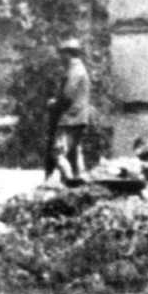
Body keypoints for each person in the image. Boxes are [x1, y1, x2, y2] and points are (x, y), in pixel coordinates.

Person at [46, 38, 91, 185]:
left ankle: (70, 181)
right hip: (80, 117)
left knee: (57, 152)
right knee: (74, 151)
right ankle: (81, 179)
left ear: (68, 54)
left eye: (62, 54)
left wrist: (54, 103)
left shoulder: (74, 71)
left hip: (70, 118)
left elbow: (67, 96)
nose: (60, 57)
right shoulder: (81, 69)